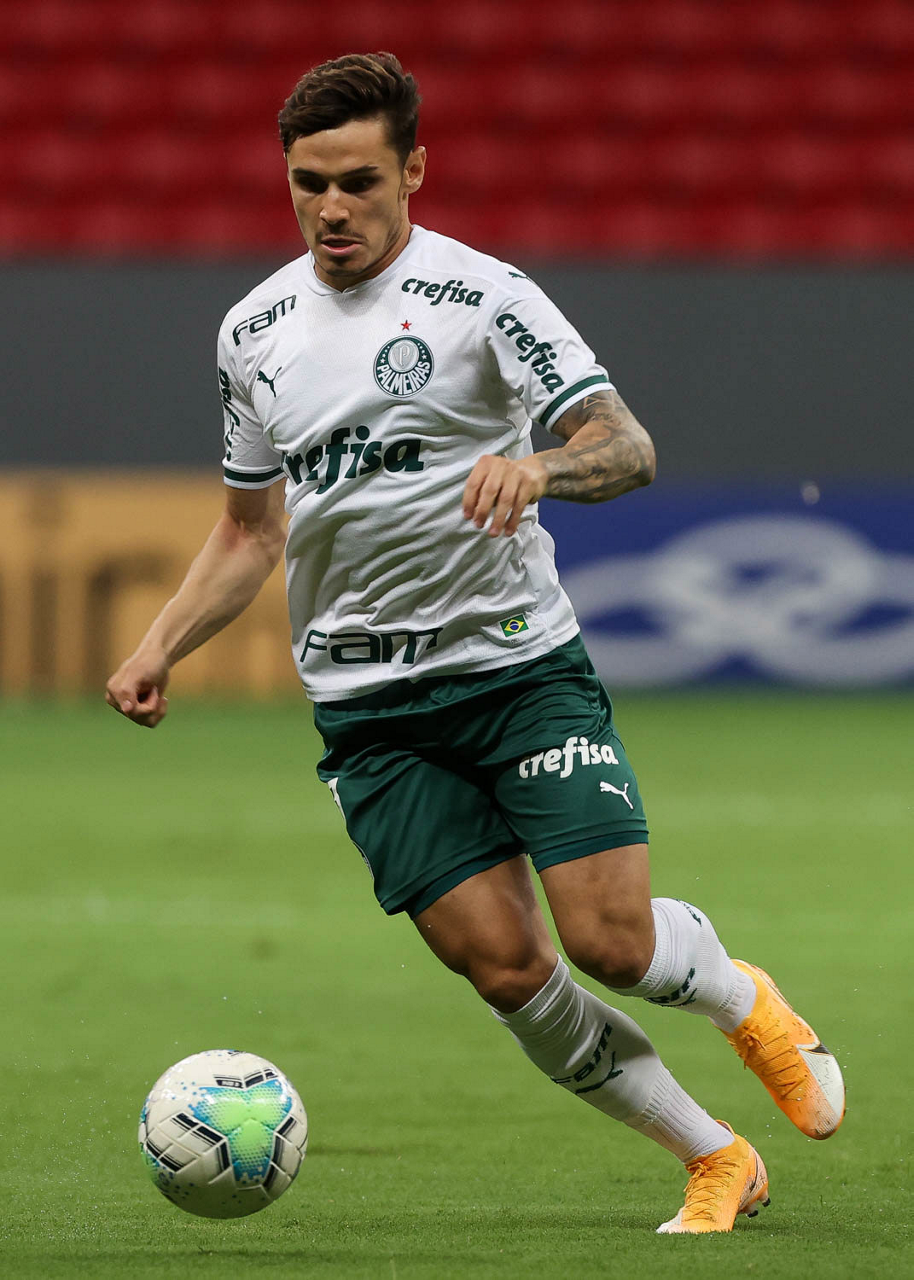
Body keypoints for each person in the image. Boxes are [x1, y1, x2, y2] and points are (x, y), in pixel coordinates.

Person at [106, 52, 845, 1234]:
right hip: (370, 712)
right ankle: (712, 1155)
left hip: (515, 671)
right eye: (307, 183)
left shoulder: (486, 297)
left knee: (608, 941)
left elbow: (626, 445)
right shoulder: (252, 331)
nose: (331, 207)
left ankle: (741, 998)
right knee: (504, 968)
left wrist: (538, 466)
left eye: (357, 181)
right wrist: (159, 643)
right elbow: (249, 529)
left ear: (412, 170)